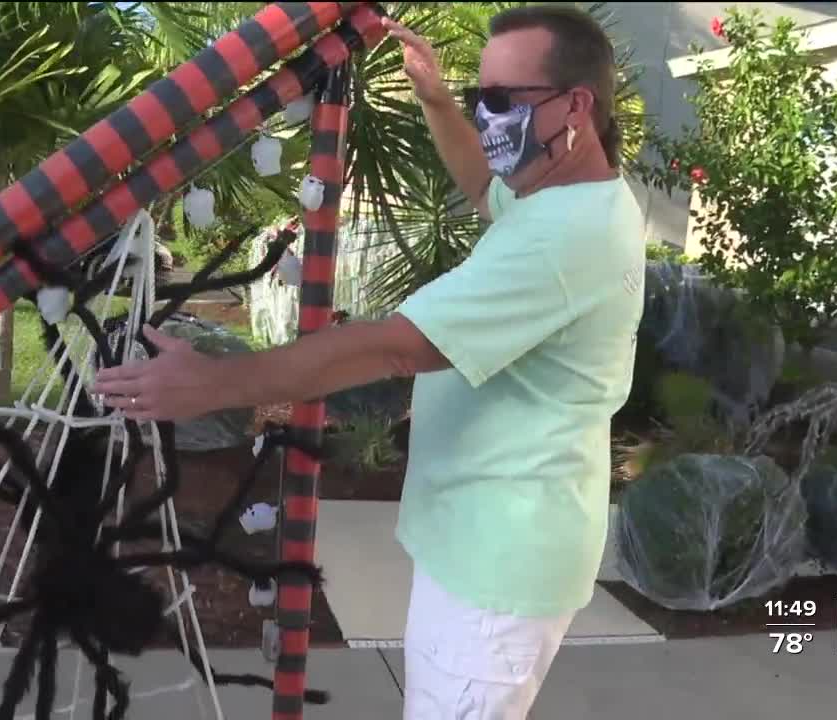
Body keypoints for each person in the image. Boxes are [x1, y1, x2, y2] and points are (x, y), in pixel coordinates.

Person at [93, 5, 646, 718]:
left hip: (497, 570)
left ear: (578, 104)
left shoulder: (567, 240)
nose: (489, 121)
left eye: (503, 101)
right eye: (482, 99)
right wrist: (438, 101)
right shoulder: (564, 195)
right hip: (484, 539)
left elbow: (393, 347)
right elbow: (487, 188)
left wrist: (212, 384)